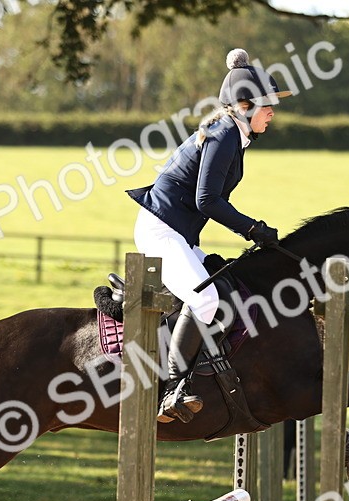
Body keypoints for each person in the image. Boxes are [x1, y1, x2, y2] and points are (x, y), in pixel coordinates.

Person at [125, 48, 290, 424]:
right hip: (161, 230)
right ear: (245, 105)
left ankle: (206, 372)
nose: (272, 112)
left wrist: (251, 229)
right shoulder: (224, 134)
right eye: (268, 106)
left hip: (178, 234)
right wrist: (252, 228)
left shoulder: (233, 133)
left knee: (227, 288)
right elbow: (207, 200)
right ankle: (170, 389)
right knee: (205, 301)